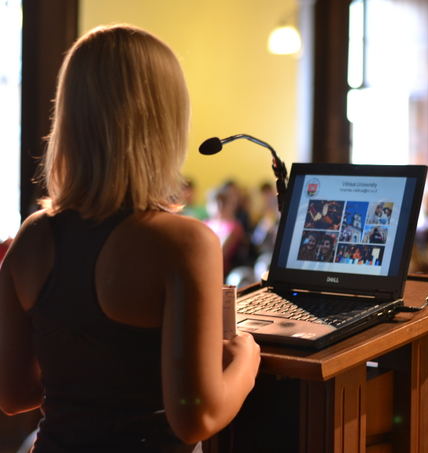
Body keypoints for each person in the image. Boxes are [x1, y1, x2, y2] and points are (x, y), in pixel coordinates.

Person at [0, 25, 261, 451]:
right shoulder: (183, 242)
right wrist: (247, 359)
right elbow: (197, 417)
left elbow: (13, 395)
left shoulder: (32, 237)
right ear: (164, 121)